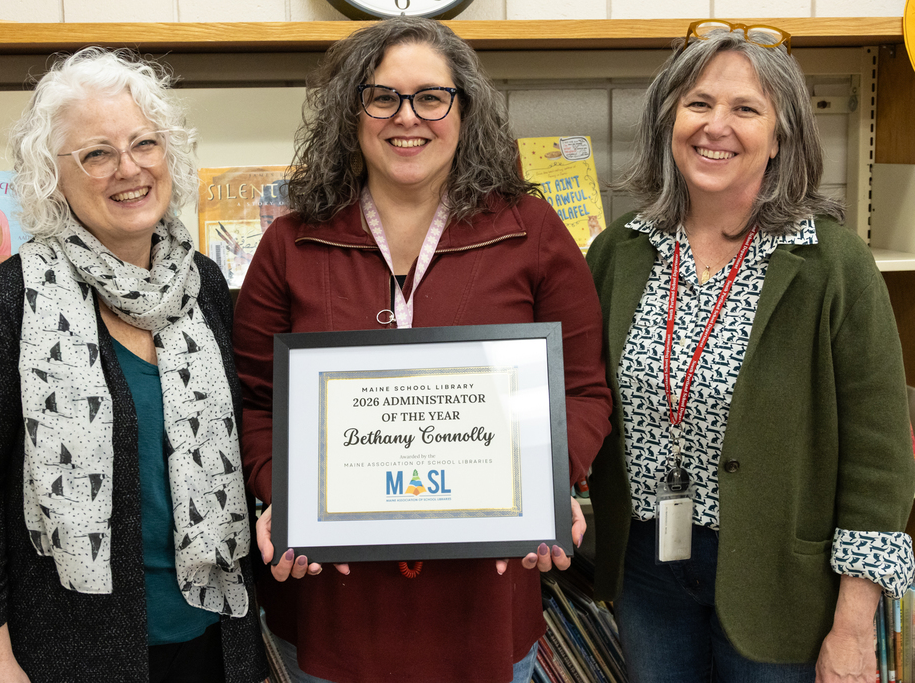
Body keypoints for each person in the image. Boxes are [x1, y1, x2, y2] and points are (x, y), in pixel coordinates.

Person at [233, 16, 612, 683]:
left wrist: (545, 490)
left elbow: (581, 391)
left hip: (484, 597)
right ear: (353, 112)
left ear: (464, 110)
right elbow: (258, 404)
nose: (407, 118)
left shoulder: (532, 232)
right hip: (338, 601)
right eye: (383, 96)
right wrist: (286, 495)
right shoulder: (291, 243)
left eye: (431, 97)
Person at [586, 20, 915, 683]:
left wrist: (854, 624)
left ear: (780, 134)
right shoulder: (621, 249)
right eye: (698, 103)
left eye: (745, 109)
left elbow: (879, 459)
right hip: (649, 566)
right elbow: (579, 392)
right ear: (667, 118)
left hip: (781, 582)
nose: (716, 126)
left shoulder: (834, 263)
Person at [0, 47, 268, 683]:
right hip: (73, 647)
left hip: (214, 634)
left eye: (145, 143)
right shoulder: (9, 302)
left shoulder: (206, 287)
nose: (129, 168)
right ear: (52, 177)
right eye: (97, 153)